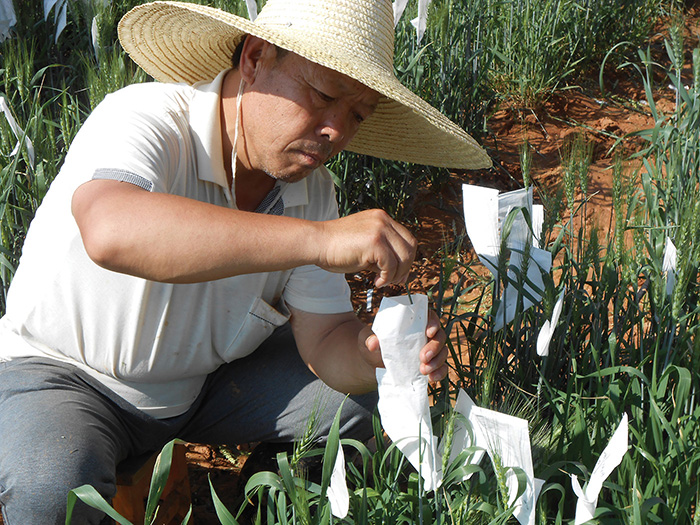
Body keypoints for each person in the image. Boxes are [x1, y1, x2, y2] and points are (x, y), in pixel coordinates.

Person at [0, 0, 491, 523]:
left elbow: (325, 344)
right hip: (64, 379)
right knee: (51, 488)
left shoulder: (309, 191)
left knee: (360, 405)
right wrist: (318, 240)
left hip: (201, 389)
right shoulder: (147, 119)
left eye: (356, 115)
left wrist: (375, 353)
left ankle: (259, 501)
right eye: (323, 95)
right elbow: (111, 229)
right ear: (255, 58)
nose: (336, 132)